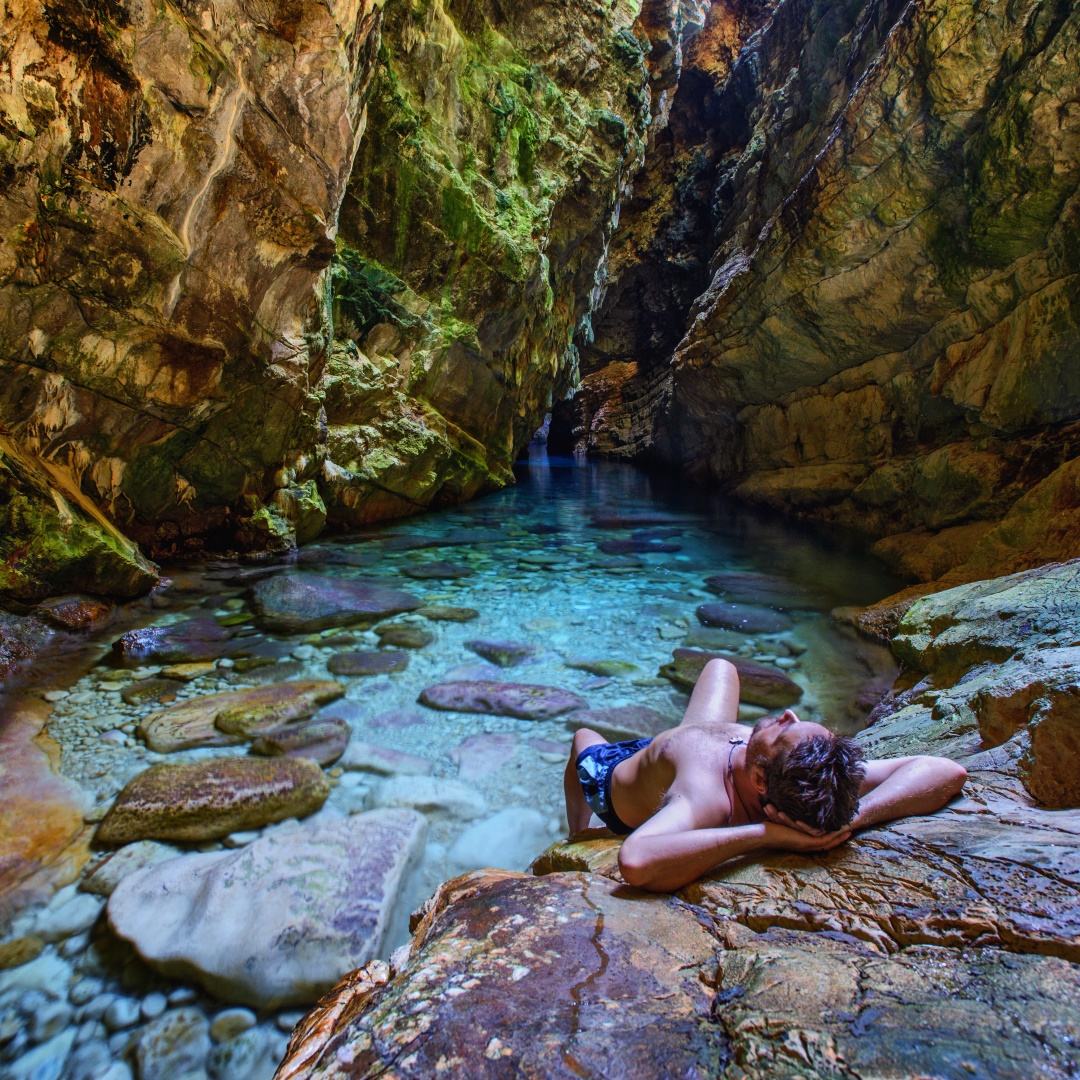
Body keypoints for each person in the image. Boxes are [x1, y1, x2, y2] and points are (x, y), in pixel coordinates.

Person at [563, 657, 968, 892]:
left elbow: (634, 859)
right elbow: (947, 770)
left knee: (583, 736)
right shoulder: (816, 774)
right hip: (693, 743)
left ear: (760, 781)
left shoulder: (703, 798)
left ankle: (576, 830)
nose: (789, 714)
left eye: (785, 729)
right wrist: (849, 821)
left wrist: (765, 835)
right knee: (721, 667)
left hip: (618, 779)